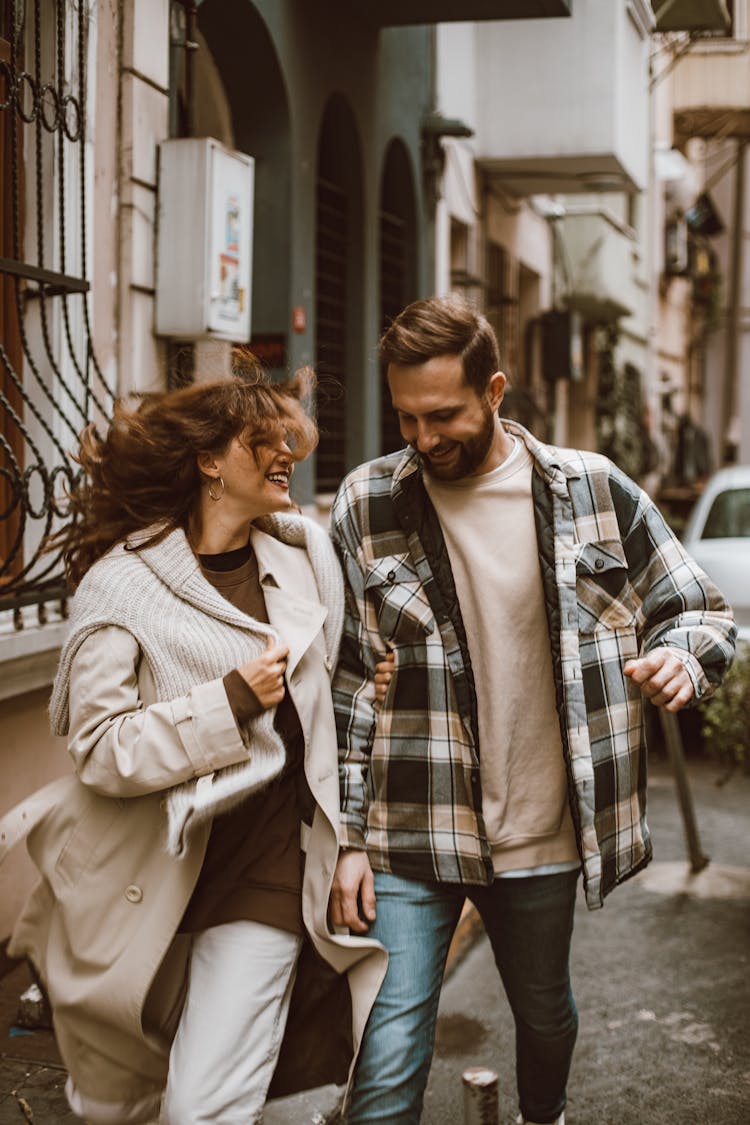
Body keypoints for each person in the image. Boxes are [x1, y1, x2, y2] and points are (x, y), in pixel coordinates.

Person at [328, 296, 736, 1125]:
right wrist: (345, 837)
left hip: (547, 825)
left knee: (545, 1015)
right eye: (406, 416)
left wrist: (682, 659)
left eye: (443, 414)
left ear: (496, 390)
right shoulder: (367, 502)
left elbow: (699, 607)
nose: (423, 437)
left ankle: (540, 1116)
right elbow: (345, 681)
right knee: (388, 1035)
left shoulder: (594, 490)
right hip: (413, 821)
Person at [1, 366, 385, 1124]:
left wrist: (352, 839)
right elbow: (103, 748)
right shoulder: (124, 585)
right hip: (151, 869)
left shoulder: (305, 556)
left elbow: (343, 702)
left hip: (268, 868)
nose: (286, 454)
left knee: (204, 1106)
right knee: (123, 1096)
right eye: (263, 441)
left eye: (289, 439)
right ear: (209, 461)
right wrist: (230, 702)